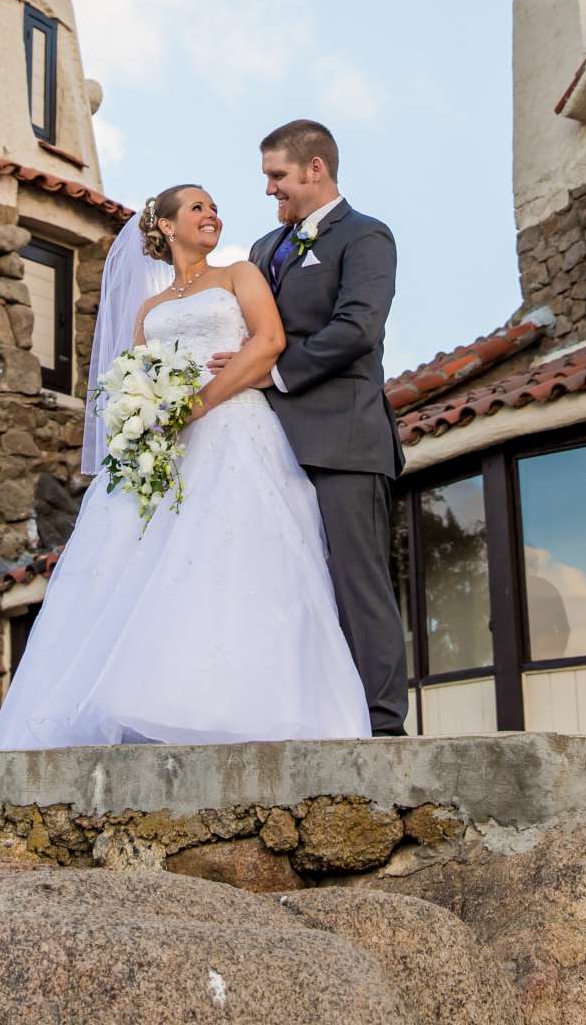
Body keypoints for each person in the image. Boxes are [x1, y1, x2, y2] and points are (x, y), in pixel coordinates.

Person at [0, 182, 369, 748]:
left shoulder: (239, 276)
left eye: (215, 206)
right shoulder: (149, 309)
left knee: (234, 559)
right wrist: (144, 415)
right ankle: (137, 700)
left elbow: (269, 342)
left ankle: (246, 707)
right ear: (166, 226)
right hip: (166, 446)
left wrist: (202, 401)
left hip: (235, 431)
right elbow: (133, 375)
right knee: (142, 571)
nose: (212, 214)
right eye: (198, 207)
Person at [231, 119, 409, 737]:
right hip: (267, 443)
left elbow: (358, 327)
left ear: (315, 169)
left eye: (277, 176)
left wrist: (274, 373)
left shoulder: (365, 237)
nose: (269, 190)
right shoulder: (261, 250)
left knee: (357, 584)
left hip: (344, 440)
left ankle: (383, 728)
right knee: (283, 581)